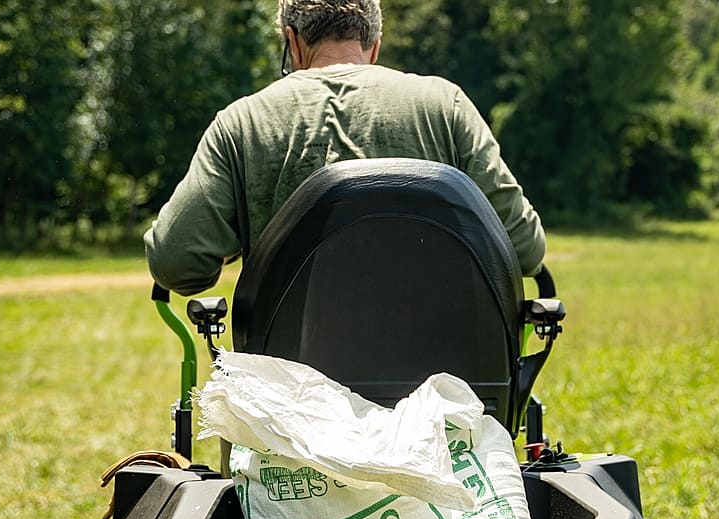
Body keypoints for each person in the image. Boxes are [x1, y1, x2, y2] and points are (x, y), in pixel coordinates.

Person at [145, 0, 545, 297]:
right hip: (441, 373)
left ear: (292, 42)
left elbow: (175, 263)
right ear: (375, 46)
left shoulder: (242, 123)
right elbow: (525, 248)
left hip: (287, 377)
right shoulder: (446, 106)